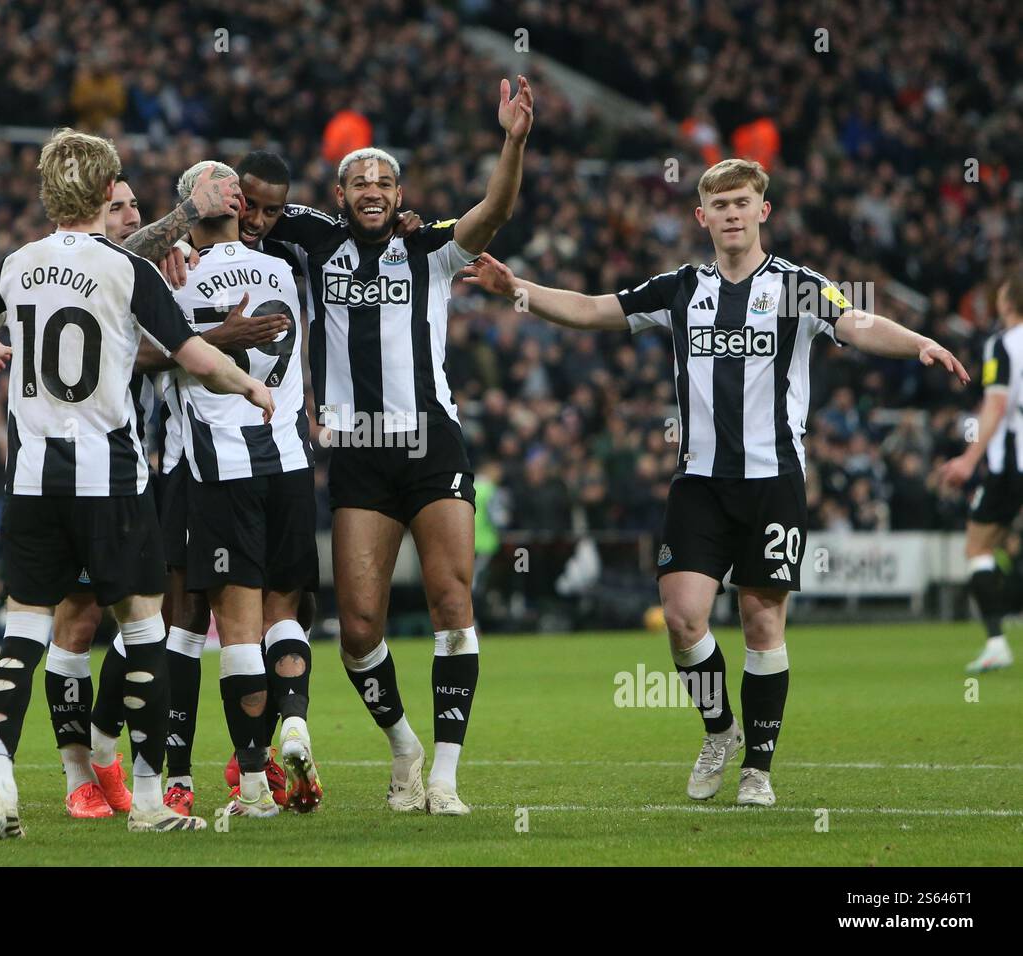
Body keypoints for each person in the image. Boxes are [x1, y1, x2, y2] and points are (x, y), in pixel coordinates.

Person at [462, 157, 969, 807]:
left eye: (742, 203)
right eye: (720, 205)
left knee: (762, 625)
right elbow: (594, 310)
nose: (732, 214)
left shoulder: (796, 286)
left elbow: (857, 324)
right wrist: (518, 291)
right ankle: (719, 730)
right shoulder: (680, 289)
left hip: (773, 481)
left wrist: (917, 340)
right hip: (699, 482)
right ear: (702, 217)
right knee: (681, 618)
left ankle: (757, 767)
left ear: (763, 212)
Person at [0, 128, 273, 838]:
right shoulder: (130, 273)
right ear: (106, 193)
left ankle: (1, 781)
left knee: (22, 633)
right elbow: (194, 356)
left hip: (33, 480)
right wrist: (250, 386)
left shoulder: (15, 265)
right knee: (142, 628)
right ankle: (152, 800)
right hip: (111, 477)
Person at [263, 76, 535, 814]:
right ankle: (403, 746)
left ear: (400, 193)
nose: (373, 189)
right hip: (356, 451)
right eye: (360, 180)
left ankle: (444, 774)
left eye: (384, 181)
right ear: (341, 193)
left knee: (453, 599)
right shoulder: (313, 243)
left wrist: (512, 141)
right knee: (356, 630)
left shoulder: (434, 249)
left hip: (430, 445)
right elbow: (248, 201)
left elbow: (497, 209)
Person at [167, 159, 319, 818]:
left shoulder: (177, 275)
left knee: (236, 632)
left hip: (222, 469)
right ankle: (295, 724)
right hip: (290, 459)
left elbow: (155, 357)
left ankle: (254, 783)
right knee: (285, 615)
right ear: (238, 204)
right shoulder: (283, 271)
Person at [938, 272, 1023, 673]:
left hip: (1013, 464)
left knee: (978, 546)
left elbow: (996, 406)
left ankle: (996, 643)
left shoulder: (1003, 344)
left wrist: (969, 461)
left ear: (1008, 302)